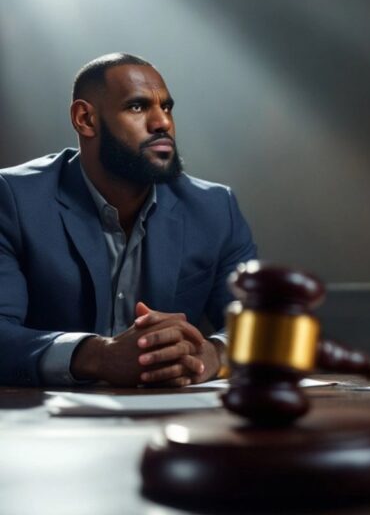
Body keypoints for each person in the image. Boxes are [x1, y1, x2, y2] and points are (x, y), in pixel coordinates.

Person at [0, 53, 257, 387]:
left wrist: (213, 354)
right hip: (41, 428)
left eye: (166, 107)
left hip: (172, 417)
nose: (162, 122)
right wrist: (97, 356)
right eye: (137, 107)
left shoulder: (213, 207)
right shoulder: (13, 199)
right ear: (85, 119)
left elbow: (257, 320)